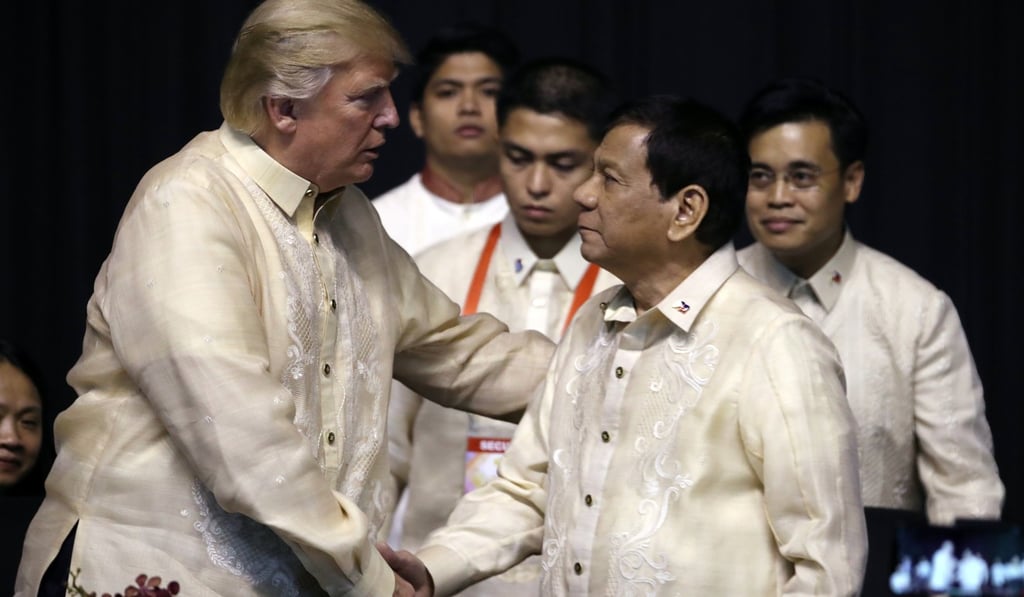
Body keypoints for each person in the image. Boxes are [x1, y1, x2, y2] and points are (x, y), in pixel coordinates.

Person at [14, 1, 554, 595]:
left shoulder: (348, 218)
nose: (393, 117)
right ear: (284, 108)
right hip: (157, 570)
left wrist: (619, 370)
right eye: (366, 98)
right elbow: (241, 435)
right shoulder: (188, 202)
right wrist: (372, 579)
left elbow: (465, 355)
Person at [382, 95, 868, 595]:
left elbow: (825, 569)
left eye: (609, 179)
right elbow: (529, 490)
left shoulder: (775, 342)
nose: (583, 195)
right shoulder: (593, 324)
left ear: (686, 210)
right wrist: (432, 569)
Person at [386, 58, 620, 597]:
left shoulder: (628, 286)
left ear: (603, 161)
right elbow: (384, 450)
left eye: (564, 163)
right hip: (437, 581)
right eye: (518, 158)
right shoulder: (432, 270)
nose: (536, 184)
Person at [735, 77, 1004, 525]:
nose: (778, 197)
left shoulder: (915, 310)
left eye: (801, 177)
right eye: (760, 177)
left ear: (852, 181)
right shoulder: (712, 290)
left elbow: (964, 489)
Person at [372, 23, 519, 256]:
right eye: (448, 92)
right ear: (418, 117)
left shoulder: (541, 219)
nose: (469, 107)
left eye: (489, 92)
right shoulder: (378, 225)